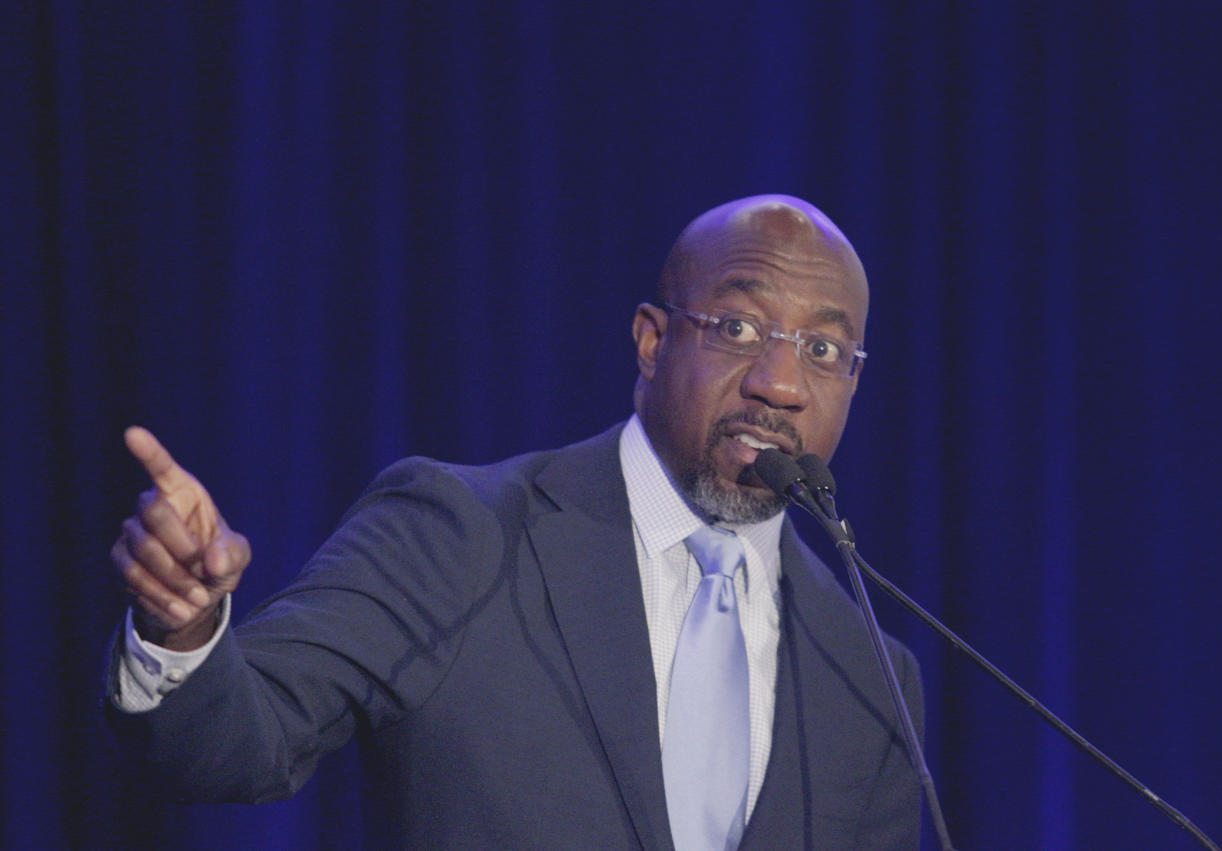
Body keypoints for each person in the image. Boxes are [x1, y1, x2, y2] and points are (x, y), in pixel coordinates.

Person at [107, 194, 924, 849]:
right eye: (739, 329)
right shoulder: (461, 534)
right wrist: (184, 628)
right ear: (651, 341)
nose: (780, 384)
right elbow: (231, 748)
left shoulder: (867, 673)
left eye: (822, 351)